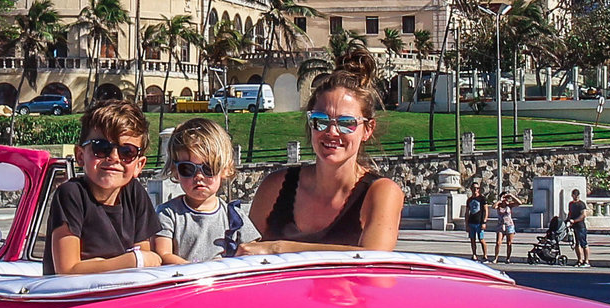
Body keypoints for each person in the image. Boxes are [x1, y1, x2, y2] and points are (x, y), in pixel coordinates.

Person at [245, 48, 405, 251]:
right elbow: (243, 253)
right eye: (320, 121)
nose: (331, 131)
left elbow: (374, 262)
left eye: (346, 123)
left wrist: (279, 249)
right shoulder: (274, 187)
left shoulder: (381, 193)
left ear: (367, 129)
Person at [49, 100, 165, 273]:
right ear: (80, 156)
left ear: (139, 165)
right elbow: (67, 270)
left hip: (121, 294)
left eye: (127, 152)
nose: (114, 157)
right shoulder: (71, 195)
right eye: (101, 148)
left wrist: (97, 264)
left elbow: (145, 265)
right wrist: (131, 260)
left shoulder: (135, 193)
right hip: (78, 297)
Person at [153, 118, 256, 264]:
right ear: (175, 171)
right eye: (187, 168)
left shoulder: (234, 215)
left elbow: (252, 249)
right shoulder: (168, 214)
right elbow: (162, 254)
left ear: (225, 170)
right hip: (185, 282)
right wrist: (197, 271)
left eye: (209, 168)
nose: (199, 176)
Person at [566, 189, 590, 265]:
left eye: (577, 195)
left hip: (581, 226)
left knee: (584, 243)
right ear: (572, 195)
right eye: (574, 195)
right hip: (574, 227)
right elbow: (570, 213)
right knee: (577, 243)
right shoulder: (571, 204)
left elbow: (583, 215)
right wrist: (568, 220)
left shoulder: (581, 204)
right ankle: (579, 260)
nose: (576, 197)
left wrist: (575, 220)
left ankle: (586, 261)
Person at [463, 187, 488, 259]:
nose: (475, 190)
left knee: (481, 239)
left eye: (477, 188)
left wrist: (484, 221)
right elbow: (467, 212)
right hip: (471, 222)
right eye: (474, 188)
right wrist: (466, 224)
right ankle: (474, 254)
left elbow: (486, 211)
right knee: (472, 239)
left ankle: (485, 255)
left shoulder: (482, 199)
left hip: (479, 222)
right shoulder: (469, 200)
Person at [494, 193, 517, 261]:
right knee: (498, 242)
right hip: (501, 225)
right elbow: (493, 207)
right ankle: (496, 258)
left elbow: (519, 202)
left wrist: (512, 196)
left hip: (509, 225)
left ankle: (508, 258)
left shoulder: (509, 205)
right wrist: (499, 201)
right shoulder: (499, 205)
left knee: (509, 243)